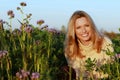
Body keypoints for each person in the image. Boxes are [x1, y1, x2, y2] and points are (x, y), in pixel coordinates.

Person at [64, 10, 114, 80]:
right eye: (78, 27)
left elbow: (112, 71)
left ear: (92, 26)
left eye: (87, 25)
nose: (84, 30)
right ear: (73, 31)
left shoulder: (105, 43)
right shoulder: (70, 49)